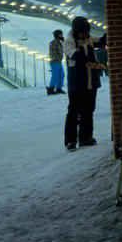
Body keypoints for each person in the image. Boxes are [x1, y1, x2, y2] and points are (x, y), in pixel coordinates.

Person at [63, 17, 106, 151]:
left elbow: (102, 41)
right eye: (82, 33)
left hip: (91, 83)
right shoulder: (68, 43)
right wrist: (94, 63)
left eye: (86, 32)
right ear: (76, 32)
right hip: (77, 84)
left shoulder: (90, 39)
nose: (84, 35)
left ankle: (85, 137)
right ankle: (70, 140)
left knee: (88, 110)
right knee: (73, 112)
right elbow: (78, 57)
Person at [48, 29, 65, 96]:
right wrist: (56, 59)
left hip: (59, 61)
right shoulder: (53, 42)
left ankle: (59, 88)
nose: (62, 36)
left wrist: (63, 41)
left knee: (61, 75)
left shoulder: (59, 42)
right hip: (55, 61)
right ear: (58, 35)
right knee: (55, 75)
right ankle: (51, 89)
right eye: (61, 34)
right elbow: (53, 53)